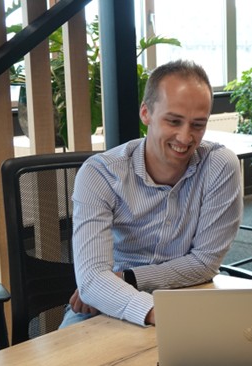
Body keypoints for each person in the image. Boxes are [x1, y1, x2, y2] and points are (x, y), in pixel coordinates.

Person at [60, 59, 242, 327]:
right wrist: (154, 309)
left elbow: (204, 263)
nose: (185, 137)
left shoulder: (219, 166)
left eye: (197, 125)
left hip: (188, 294)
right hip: (111, 300)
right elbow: (92, 280)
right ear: (146, 113)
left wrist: (128, 277)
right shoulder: (100, 174)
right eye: (174, 121)